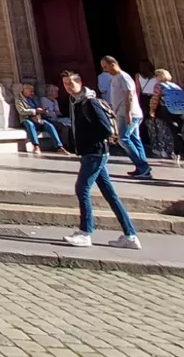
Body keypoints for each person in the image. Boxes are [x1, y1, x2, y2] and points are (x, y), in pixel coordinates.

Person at [60, 69, 140, 249]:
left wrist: (88, 141)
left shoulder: (90, 103)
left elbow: (105, 129)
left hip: (95, 153)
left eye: (70, 83)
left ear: (79, 82)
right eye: (65, 84)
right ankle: (130, 235)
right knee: (110, 195)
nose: (68, 87)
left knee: (82, 189)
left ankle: (85, 232)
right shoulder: (76, 102)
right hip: (90, 153)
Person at [100, 56, 153, 180]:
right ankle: (142, 167)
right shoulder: (116, 78)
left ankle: (142, 166)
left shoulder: (123, 77)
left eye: (105, 66)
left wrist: (128, 112)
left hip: (128, 113)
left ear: (113, 64)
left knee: (123, 139)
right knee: (135, 139)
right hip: (124, 112)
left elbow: (128, 94)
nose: (104, 70)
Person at [144, 68, 184, 161]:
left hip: (167, 111)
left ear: (160, 76)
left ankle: (179, 152)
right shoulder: (175, 86)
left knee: (169, 131)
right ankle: (179, 152)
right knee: (177, 132)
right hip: (180, 112)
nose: (155, 78)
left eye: (156, 76)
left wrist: (152, 110)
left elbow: (155, 99)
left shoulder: (159, 86)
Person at [14, 81, 66, 154]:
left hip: (38, 118)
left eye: (33, 91)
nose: (32, 93)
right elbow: (21, 111)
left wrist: (42, 111)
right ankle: (36, 146)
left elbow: (39, 107)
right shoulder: (19, 99)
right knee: (30, 124)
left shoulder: (34, 98)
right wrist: (34, 111)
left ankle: (59, 146)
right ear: (24, 90)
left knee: (49, 125)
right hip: (26, 118)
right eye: (30, 91)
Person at [42, 83, 72, 150]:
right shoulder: (43, 100)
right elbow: (45, 112)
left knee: (70, 122)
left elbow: (57, 112)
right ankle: (64, 145)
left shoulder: (55, 101)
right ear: (51, 92)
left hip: (56, 118)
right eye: (55, 91)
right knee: (64, 126)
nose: (57, 93)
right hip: (49, 119)